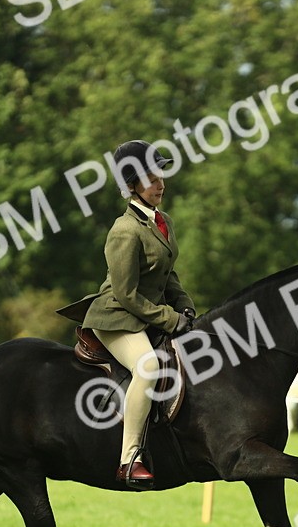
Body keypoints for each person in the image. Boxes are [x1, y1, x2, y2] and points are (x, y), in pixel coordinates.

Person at [56, 140, 197, 488]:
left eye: (160, 173)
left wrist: (186, 305)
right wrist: (170, 319)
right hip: (117, 317)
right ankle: (129, 459)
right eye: (150, 176)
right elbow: (126, 293)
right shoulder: (124, 230)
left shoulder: (163, 222)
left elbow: (168, 274)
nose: (160, 182)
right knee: (148, 367)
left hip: (147, 312)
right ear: (132, 185)